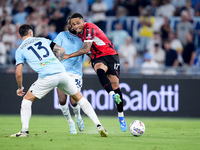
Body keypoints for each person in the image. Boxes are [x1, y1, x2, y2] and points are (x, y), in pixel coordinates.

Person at [10, 24, 108, 137]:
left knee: (26, 100)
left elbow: (18, 73)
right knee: (80, 98)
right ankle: (99, 125)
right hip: (62, 72)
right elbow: (61, 50)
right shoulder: (43, 40)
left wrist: (20, 87)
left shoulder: (20, 50)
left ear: (20, 35)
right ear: (31, 33)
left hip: (47, 77)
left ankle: (24, 131)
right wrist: (55, 62)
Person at [63, 13, 127, 132]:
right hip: (98, 57)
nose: (76, 26)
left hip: (111, 55)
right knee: (99, 69)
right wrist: (92, 58)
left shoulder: (89, 27)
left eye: (78, 23)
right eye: (73, 24)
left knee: (116, 85)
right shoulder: (79, 33)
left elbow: (86, 48)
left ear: (83, 21)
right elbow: (88, 51)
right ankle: (112, 95)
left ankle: (121, 116)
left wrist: (68, 56)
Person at [53, 17, 84, 134]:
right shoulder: (62, 35)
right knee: (62, 100)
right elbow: (54, 48)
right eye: (70, 24)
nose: (72, 26)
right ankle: (71, 123)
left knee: (74, 101)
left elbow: (88, 51)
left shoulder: (83, 38)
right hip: (61, 71)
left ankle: (78, 116)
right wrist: (59, 56)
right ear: (68, 25)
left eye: (75, 24)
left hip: (75, 74)